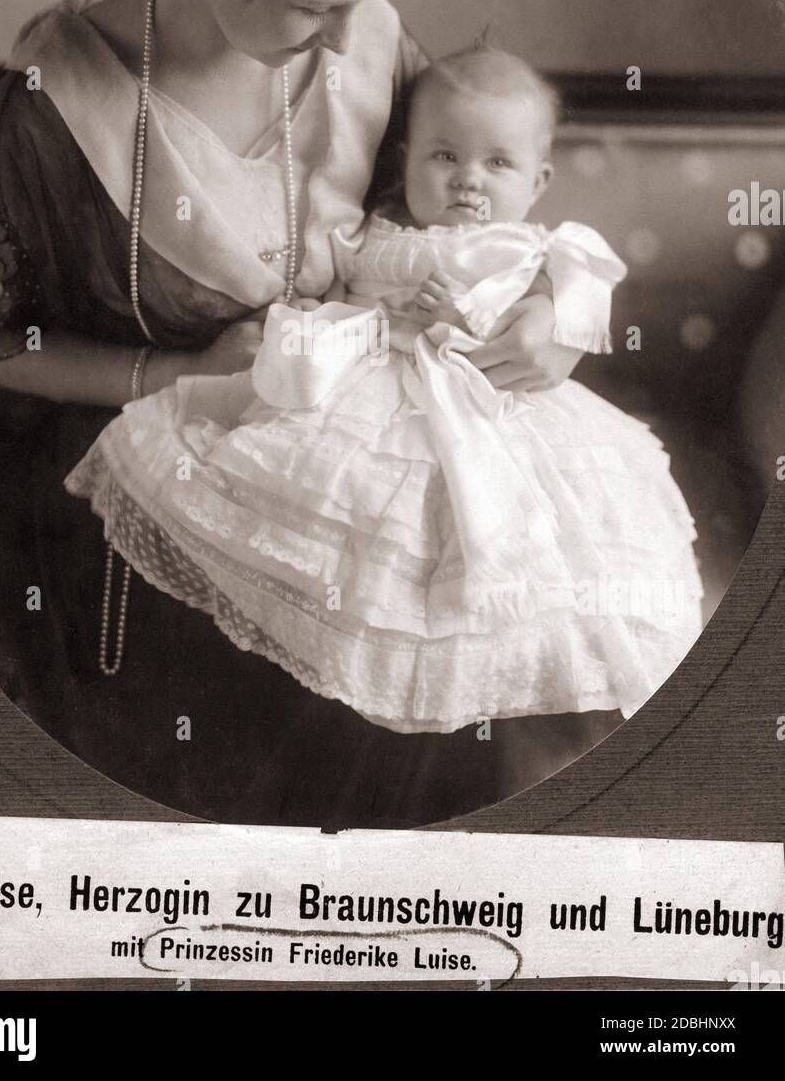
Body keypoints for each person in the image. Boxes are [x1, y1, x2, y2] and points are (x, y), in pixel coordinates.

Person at [0, 0, 592, 828]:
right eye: (312, 9)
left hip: (368, 482)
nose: (349, 36)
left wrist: (553, 308)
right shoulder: (59, 105)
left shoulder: (369, 35)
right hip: (148, 492)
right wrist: (185, 370)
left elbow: (485, 212)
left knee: (453, 688)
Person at [67, 46, 705, 753]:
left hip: (483, 405)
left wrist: (473, 317)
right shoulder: (368, 229)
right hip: (365, 387)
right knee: (337, 516)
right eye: (444, 156)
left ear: (539, 179)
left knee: (516, 532)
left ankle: (483, 695)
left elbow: (566, 311)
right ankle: (317, 695)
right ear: (403, 159)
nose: (468, 180)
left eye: (498, 164)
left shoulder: (530, 248)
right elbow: (323, 292)